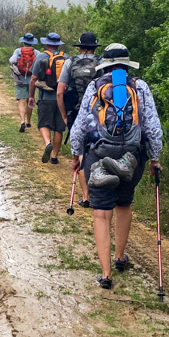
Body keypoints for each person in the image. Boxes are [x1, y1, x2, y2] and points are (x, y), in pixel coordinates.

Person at [69, 43, 163, 289]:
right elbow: (152, 126)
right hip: (132, 155)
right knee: (123, 203)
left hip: (99, 153)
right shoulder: (140, 87)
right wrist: (154, 158)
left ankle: (106, 273)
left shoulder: (95, 87)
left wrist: (76, 153)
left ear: (106, 64)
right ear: (127, 64)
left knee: (101, 212)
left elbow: (81, 124)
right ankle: (120, 257)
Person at [57, 31, 102, 207]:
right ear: (94, 47)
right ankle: (100, 190)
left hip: (77, 113)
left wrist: (64, 115)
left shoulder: (70, 62)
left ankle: (86, 196)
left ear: (80, 47)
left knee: (82, 152)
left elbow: (60, 92)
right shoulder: (102, 63)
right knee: (97, 150)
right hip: (100, 114)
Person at [28, 33, 67, 164]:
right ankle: (54, 156)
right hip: (62, 99)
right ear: (58, 44)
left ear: (47, 43)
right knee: (59, 128)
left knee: (44, 123)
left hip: (45, 97)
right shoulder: (65, 57)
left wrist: (31, 96)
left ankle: (47, 143)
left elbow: (33, 78)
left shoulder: (41, 56)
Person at [9, 33, 38, 132]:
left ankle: (22, 122)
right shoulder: (36, 52)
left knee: (21, 102)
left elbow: (11, 60)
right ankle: (29, 122)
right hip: (32, 80)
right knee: (30, 100)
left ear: (24, 41)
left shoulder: (18, 51)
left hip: (20, 79)